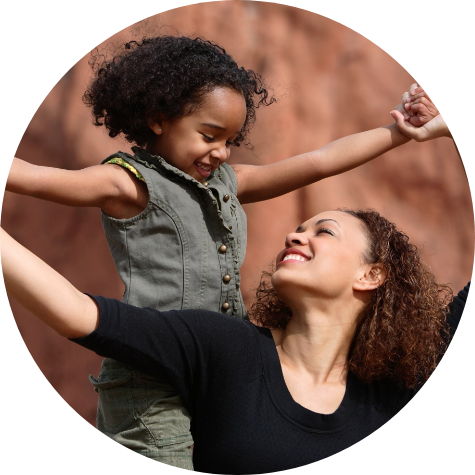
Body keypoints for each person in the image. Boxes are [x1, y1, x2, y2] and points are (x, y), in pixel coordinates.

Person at [5, 35, 439, 469]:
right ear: (158, 120)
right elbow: (36, 178)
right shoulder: (127, 183)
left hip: (218, 374)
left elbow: (319, 160)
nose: (222, 152)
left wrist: (399, 132)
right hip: (152, 377)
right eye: (210, 135)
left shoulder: (227, 182)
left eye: (231, 139)